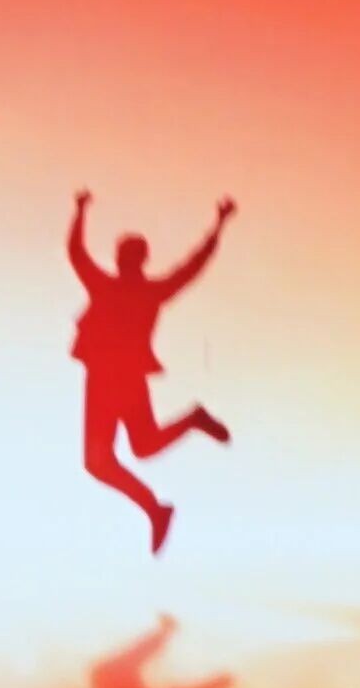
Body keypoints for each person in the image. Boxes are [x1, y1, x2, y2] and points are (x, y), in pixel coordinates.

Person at [66, 188, 237, 551]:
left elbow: (191, 269)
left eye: (128, 255)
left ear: (136, 260)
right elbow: (77, 254)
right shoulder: (125, 289)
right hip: (113, 379)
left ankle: (157, 504)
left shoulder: (128, 290)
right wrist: (79, 212)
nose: (123, 261)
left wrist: (218, 227)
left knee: (104, 460)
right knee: (130, 451)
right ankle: (157, 508)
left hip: (112, 381)